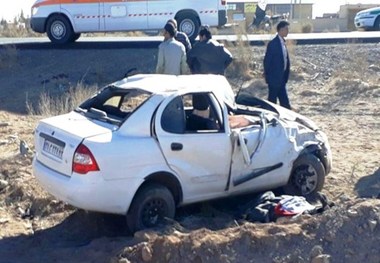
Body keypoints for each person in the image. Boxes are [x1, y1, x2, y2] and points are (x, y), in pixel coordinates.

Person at [263, 20, 291, 110]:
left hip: (282, 78)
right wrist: (267, 76)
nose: (287, 31)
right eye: (286, 29)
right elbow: (267, 61)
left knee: (285, 103)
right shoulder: (273, 44)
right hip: (274, 79)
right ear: (281, 30)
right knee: (272, 103)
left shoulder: (283, 43)